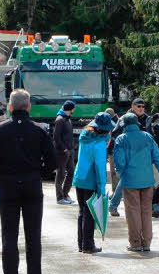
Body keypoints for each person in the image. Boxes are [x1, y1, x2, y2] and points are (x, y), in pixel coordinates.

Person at [0, 89, 56, 274]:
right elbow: (52, 162)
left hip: (8, 186)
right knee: (33, 238)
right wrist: (37, 175)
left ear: (10, 107)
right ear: (29, 106)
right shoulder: (40, 131)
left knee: (9, 238)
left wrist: (0, 181)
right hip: (32, 186)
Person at [114, 112, 159, 252]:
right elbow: (157, 157)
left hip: (130, 180)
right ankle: (147, 243)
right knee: (146, 211)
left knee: (133, 212)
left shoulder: (121, 139)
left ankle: (136, 243)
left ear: (124, 125)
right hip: (147, 181)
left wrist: (122, 175)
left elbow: (119, 163)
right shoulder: (147, 137)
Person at [72, 112, 114, 254]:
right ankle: (88, 245)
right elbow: (100, 167)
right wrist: (102, 189)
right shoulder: (100, 144)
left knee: (81, 212)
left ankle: (81, 244)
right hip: (91, 181)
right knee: (89, 213)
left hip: (80, 178)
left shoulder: (84, 136)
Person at [108, 99, 151, 215]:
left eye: (143, 106)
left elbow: (151, 135)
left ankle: (150, 206)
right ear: (132, 106)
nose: (141, 108)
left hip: (142, 154)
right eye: (139, 106)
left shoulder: (147, 118)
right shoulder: (124, 119)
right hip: (127, 153)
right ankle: (113, 205)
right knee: (126, 179)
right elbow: (115, 134)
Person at [53, 100, 77, 205]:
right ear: (71, 109)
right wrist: (64, 149)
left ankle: (65, 194)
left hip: (70, 150)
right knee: (61, 174)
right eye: (73, 108)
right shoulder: (60, 120)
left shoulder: (67, 119)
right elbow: (56, 137)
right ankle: (60, 197)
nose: (74, 110)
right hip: (62, 152)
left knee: (71, 173)